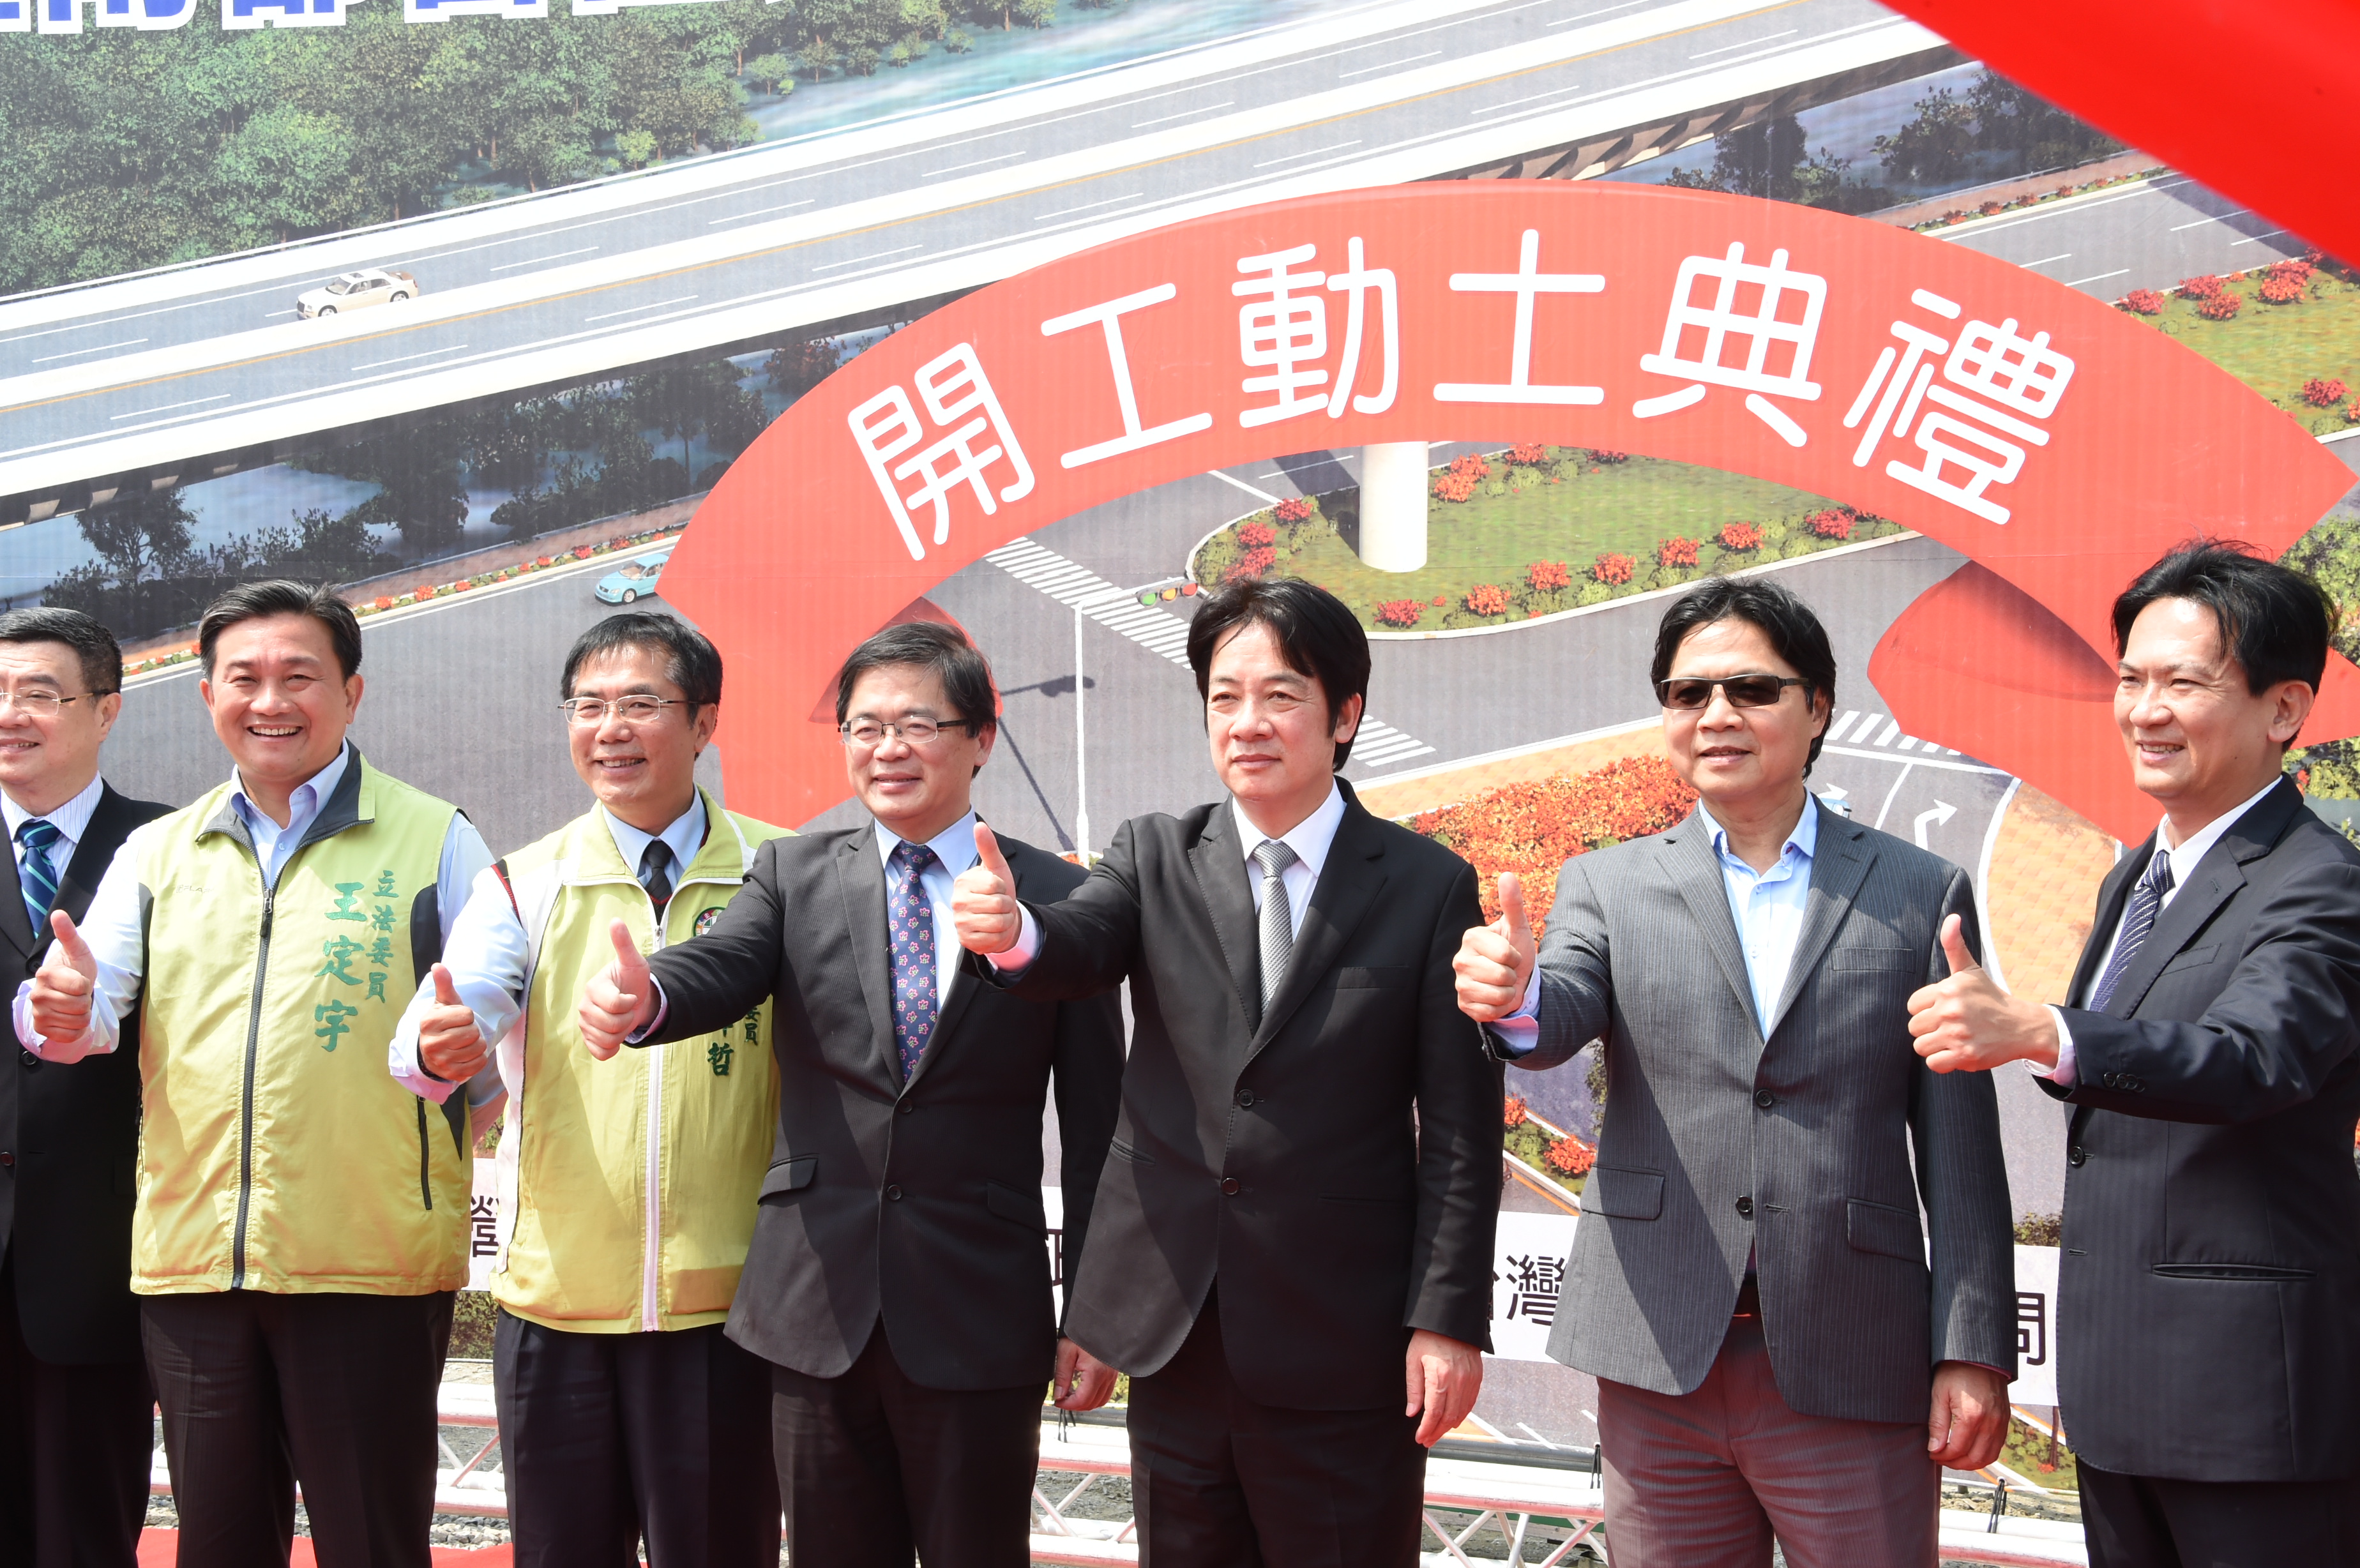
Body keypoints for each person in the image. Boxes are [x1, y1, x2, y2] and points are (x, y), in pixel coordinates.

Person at [1455, 576, 2015, 1568]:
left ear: (1818, 708)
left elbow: (1962, 1152)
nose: (1716, 715)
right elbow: (1556, 1014)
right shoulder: (1609, 885)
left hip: (1852, 1357)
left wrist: (1972, 1349)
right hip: (1660, 1355)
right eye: (1688, 694)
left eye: (1752, 689)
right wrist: (1516, 993)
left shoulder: (1919, 889)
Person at [949, 578, 1501, 1568]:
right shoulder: (1155, 855)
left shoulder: (1426, 887)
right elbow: (1078, 943)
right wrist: (1017, 934)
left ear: (1345, 716)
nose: (1248, 723)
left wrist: (1447, 1322)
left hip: (1347, 1347)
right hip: (1180, 1334)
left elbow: (1462, 1129)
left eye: (1281, 696)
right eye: (1225, 697)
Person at [577, 620, 1123, 1568]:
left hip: (977, 1314)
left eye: (917, 725)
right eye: (865, 728)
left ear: (981, 738)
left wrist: (1095, 1308)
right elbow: (724, 963)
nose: (887, 749)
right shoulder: (793, 873)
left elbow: (1096, 1121)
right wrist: (651, 994)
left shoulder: (1058, 901)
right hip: (813, 1311)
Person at [17, 580, 490, 1568]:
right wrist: (54, 1013)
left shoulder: (436, 837)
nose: (269, 701)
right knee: (219, 1545)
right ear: (208, 697)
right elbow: (82, 1014)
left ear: (352, 693)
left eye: (298, 676)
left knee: (374, 1542)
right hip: (195, 1268)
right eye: (244, 679)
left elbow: (483, 1017)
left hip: (368, 1266)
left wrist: (454, 1054)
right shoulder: (159, 851)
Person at [1908, 540, 2360, 1567]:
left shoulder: (2320, 884)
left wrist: (2044, 1030)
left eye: (2184, 684)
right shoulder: (2139, 875)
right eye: (2130, 680)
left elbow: (2254, 1059)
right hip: (2122, 1401)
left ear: (2285, 709)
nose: (2146, 711)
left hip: (2252, 1418)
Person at [389, 614, 785, 1567]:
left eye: (641, 704)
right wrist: (439, 1042)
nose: (610, 729)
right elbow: (456, 1007)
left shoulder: (784, 871)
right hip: (557, 1308)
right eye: (588, 706)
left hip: (728, 1313)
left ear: (705, 722)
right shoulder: (525, 884)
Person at [0, 609, 170, 1568]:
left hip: (102, 1257)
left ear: (106, 710)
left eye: (39, 694)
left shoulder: (171, 848)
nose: (10, 714)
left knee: (84, 1533)